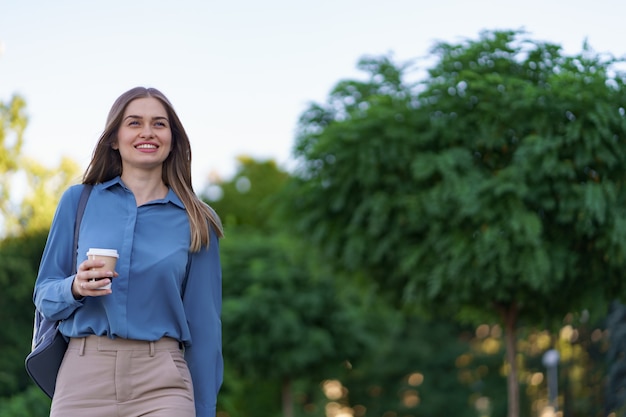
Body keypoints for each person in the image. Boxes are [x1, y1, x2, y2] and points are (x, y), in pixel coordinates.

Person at [32, 86, 224, 417]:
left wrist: (204, 410)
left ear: (173, 139)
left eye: (159, 124)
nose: (147, 132)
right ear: (113, 138)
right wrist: (75, 287)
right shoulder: (78, 201)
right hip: (83, 377)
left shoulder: (197, 220)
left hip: (164, 382)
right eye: (134, 123)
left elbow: (205, 329)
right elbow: (44, 294)